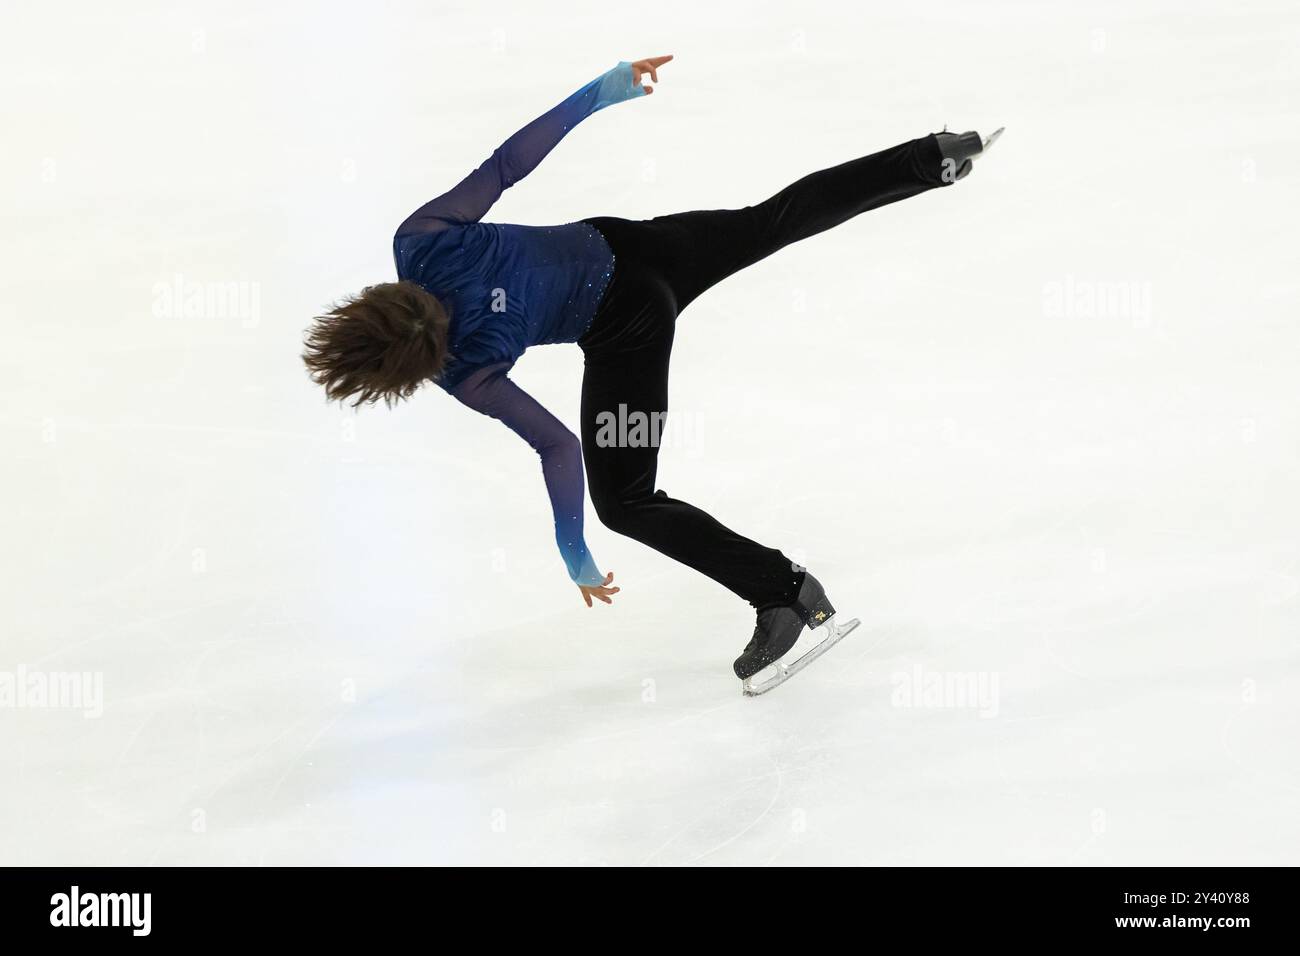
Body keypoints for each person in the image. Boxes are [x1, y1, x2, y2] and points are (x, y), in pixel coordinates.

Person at [302, 56, 999, 691]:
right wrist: (598, 93)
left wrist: (574, 547)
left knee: (627, 501)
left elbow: (557, 446)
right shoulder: (420, 239)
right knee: (774, 219)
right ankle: (928, 160)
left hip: (630, 330)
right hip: (643, 247)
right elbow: (506, 164)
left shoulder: (463, 371)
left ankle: (785, 591)